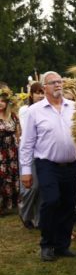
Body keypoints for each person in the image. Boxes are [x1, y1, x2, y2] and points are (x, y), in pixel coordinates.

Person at [20, 71, 76, 261]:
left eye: (59, 82)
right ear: (44, 87)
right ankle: (47, 244)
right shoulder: (34, 111)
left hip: (72, 165)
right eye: (52, 82)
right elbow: (27, 143)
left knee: (69, 204)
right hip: (47, 165)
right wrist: (26, 171)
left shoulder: (74, 107)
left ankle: (63, 245)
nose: (57, 85)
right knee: (51, 201)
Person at [18, 82, 45, 227]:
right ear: (31, 95)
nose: (40, 96)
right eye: (37, 93)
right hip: (29, 151)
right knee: (31, 187)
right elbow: (27, 130)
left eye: (42, 92)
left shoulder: (48, 109)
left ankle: (40, 220)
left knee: (41, 187)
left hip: (44, 151)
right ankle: (25, 214)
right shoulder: (25, 110)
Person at [0, 84, 20, 217]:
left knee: (11, 176)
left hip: (12, 151)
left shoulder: (13, 116)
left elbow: (18, 133)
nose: (0, 103)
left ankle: (11, 203)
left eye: (2, 101)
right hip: (0, 151)